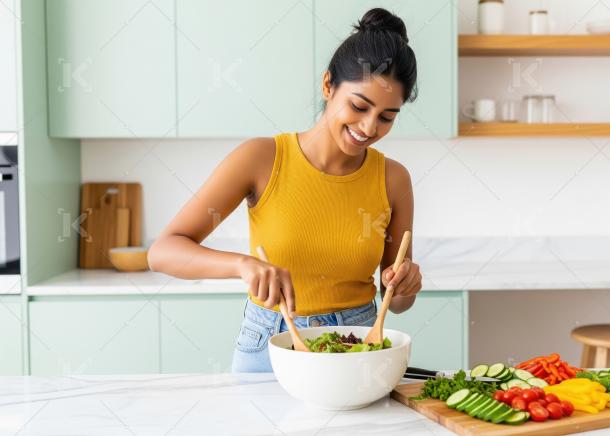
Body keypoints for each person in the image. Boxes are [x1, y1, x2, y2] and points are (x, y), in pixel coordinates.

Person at [148, 8, 422, 372]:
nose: (370, 127)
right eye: (359, 106)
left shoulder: (393, 179)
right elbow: (163, 251)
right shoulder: (261, 158)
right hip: (272, 342)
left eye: (387, 117)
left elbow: (396, 299)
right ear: (328, 86)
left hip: (361, 346)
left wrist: (406, 286)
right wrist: (242, 265)